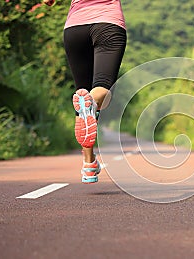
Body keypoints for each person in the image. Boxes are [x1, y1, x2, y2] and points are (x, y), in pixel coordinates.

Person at [43, 0, 127, 183]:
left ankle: (89, 163)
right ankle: (91, 101)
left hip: (75, 28)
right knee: (102, 88)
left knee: (82, 91)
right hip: (108, 23)